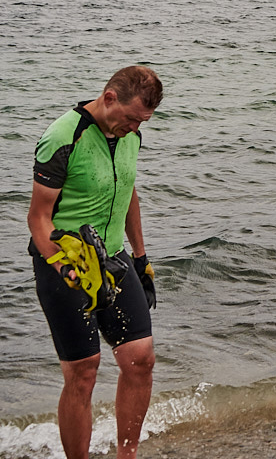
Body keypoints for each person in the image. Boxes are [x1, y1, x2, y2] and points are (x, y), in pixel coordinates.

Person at [27, 66, 163, 459]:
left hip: (115, 258)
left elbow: (128, 191)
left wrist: (141, 257)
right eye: (132, 117)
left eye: (143, 121)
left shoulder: (130, 135)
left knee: (141, 360)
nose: (136, 126)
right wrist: (63, 266)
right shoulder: (62, 137)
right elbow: (38, 217)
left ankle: (127, 454)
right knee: (84, 372)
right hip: (66, 263)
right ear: (108, 99)